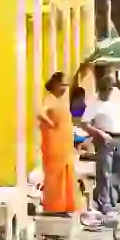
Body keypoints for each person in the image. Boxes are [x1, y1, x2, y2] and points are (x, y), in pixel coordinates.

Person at [80, 74, 120, 216]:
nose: (107, 93)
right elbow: (84, 124)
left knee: (118, 169)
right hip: (105, 138)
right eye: (105, 90)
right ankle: (105, 202)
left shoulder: (117, 97)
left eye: (109, 89)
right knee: (104, 171)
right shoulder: (94, 102)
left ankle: (112, 200)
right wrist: (100, 134)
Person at [37, 72, 77, 214]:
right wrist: (52, 124)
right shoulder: (50, 99)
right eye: (63, 84)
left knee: (66, 172)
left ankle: (65, 205)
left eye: (66, 85)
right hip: (54, 142)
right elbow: (40, 113)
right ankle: (55, 205)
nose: (65, 88)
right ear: (55, 84)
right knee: (55, 174)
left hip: (64, 143)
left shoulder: (61, 99)